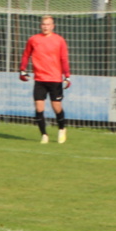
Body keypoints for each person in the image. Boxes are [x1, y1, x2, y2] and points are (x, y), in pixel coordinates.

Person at [19, 15, 70, 143]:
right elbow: (26, 55)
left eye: (48, 24)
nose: (45, 27)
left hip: (55, 79)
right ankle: (44, 135)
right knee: (39, 107)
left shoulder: (59, 40)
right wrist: (22, 69)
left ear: (53, 26)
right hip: (40, 79)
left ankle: (62, 129)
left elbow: (64, 59)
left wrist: (67, 76)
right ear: (40, 25)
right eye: (43, 24)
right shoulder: (33, 39)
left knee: (56, 107)